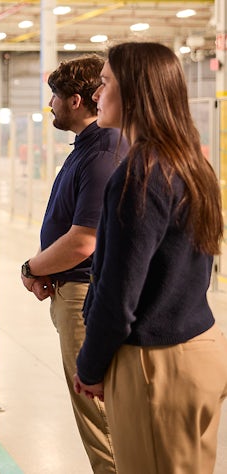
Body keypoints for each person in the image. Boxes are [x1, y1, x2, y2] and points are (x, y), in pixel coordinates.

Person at [73, 42, 227, 473]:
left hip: (157, 365)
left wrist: (90, 367)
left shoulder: (139, 174)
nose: (96, 94)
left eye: (105, 83)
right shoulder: (190, 163)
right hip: (199, 348)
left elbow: (118, 293)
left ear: (135, 93)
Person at [20, 54, 126, 473]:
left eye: (55, 97)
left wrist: (33, 268)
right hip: (77, 291)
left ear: (76, 100)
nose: (50, 105)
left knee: (98, 414)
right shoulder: (88, 148)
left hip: (84, 295)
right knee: (96, 412)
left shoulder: (103, 154)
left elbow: (83, 241)